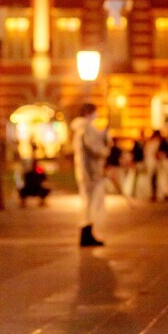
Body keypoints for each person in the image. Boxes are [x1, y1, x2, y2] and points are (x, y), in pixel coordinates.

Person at [70, 103, 110, 247]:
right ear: (88, 113)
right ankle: (86, 235)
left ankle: (88, 233)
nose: (97, 115)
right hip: (90, 173)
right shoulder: (86, 128)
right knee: (90, 204)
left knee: (89, 203)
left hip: (86, 172)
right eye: (95, 112)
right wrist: (105, 150)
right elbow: (93, 147)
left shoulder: (81, 129)